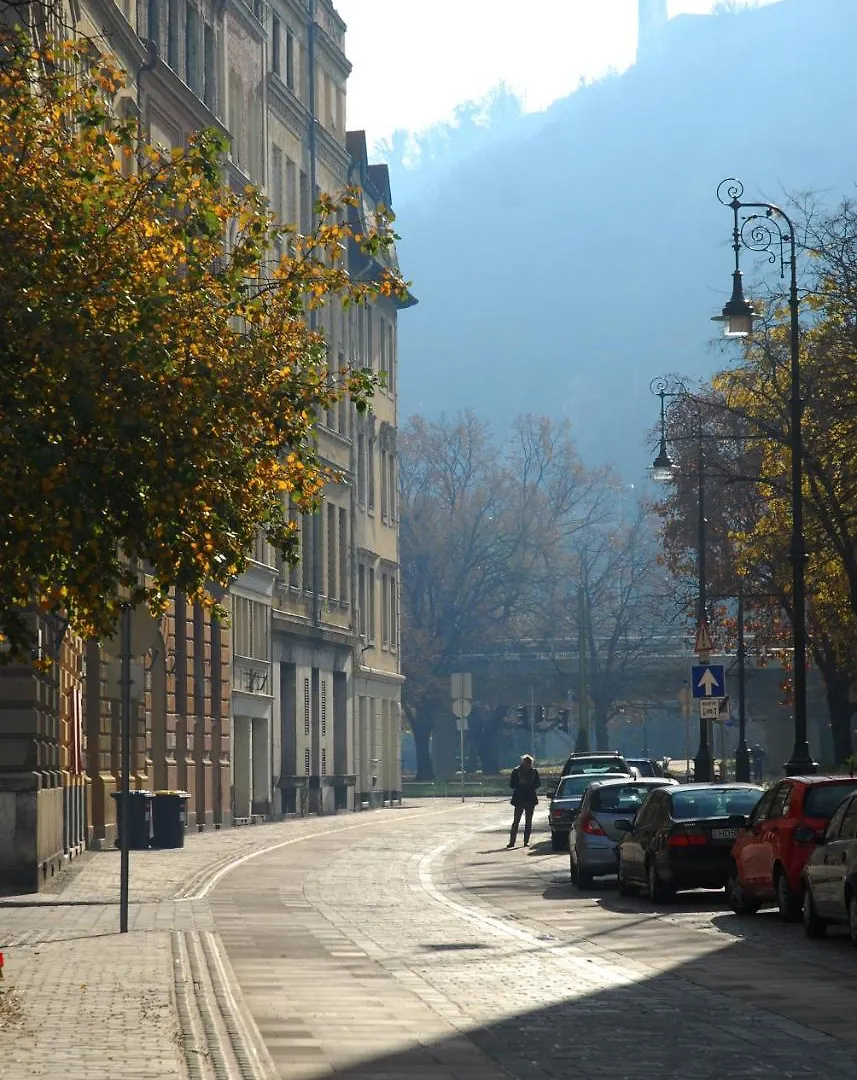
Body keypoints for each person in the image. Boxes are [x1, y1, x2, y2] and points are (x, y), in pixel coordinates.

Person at [507, 754, 541, 848]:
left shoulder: (534, 772)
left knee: (528, 821)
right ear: (523, 762)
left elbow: (538, 784)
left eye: (530, 763)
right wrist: (519, 783)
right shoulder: (516, 771)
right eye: (527, 763)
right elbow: (511, 784)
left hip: (530, 798)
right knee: (516, 821)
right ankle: (512, 842)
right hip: (519, 799)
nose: (528, 765)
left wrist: (531, 784)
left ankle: (526, 841)